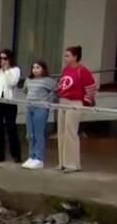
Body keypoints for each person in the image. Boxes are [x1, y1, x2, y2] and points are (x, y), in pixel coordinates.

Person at [56, 45, 97, 173]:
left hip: (75, 102)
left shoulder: (82, 70)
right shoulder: (66, 70)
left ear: (75, 57)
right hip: (63, 101)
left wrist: (85, 101)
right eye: (65, 55)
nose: (66, 58)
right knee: (61, 132)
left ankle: (72, 164)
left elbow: (91, 87)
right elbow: (62, 84)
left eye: (68, 56)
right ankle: (62, 162)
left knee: (70, 132)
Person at [0, 49, 22, 163]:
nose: (2, 61)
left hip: (9, 102)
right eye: (0, 58)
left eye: (5, 58)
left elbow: (12, 83)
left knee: (11, 128)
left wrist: (6, 70)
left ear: (10, 59)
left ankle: (16, 154)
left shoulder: (15, 70)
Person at [22, 60, 57, 170]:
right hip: (29, 107)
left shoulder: (48, 81)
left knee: (38, 133)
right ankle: (31, 156)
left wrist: (48, 101)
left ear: (43, 69)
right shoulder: (29, 80)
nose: (35, 70)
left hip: (41, 108)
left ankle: (39, 158)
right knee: (30, 133)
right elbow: (25, 90)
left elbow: (56, 91)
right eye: (34, 68)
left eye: (38, 68)